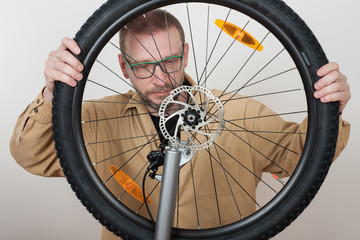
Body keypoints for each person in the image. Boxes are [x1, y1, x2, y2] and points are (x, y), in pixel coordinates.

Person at [10, 9, 350, 240]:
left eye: (170, 60)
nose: (160, 79)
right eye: (143, 66)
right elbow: (31, 156)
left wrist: (331, 106)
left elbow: (304, 155)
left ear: (185, 54)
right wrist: (53, 94)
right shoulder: (95, 119)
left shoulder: (240, 111)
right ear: (123, 66)